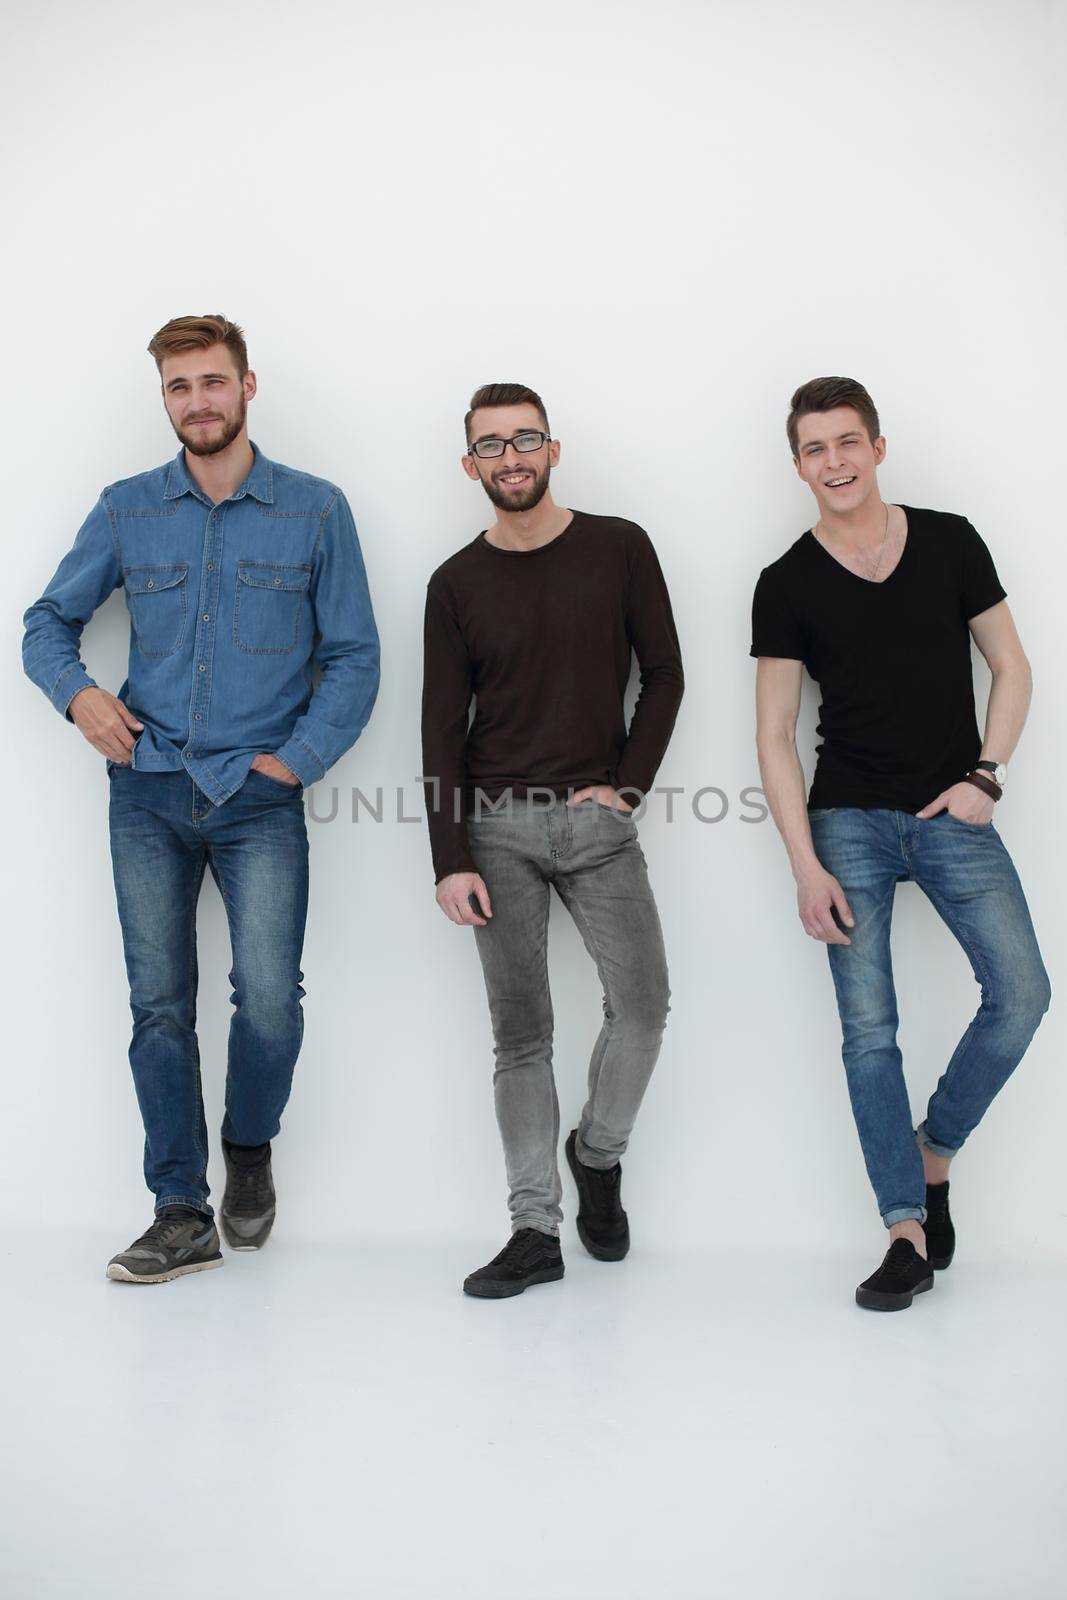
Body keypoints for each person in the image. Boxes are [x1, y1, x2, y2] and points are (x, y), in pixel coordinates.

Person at [23, 314, 380, 1283]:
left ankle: (250, 1149)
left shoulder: (313, 510)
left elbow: (352, 654)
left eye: (212, 382)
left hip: (259, 796)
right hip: (146, 792)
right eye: (179, 387)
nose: (198, 401)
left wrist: (295, 761)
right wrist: (81, 695)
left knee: (268, 1002)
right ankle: (180, 1209)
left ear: (247, 386)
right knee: (157, 1008)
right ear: (166, 399)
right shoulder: (129, 508)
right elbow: (46, 623)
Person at [751, 375, 1050, 1311]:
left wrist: (985, 775)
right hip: (846, 824)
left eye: (846, 442)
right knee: (867, 1033)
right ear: (795, 465)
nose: (832, 461)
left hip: (950, 812)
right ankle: (903, 1231)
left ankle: (933, 1152)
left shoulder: (951, 541)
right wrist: (804, 866)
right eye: (813, 448)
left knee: (1023, 993)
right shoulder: (785, 582)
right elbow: (773, 736)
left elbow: (1010, 665)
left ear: (877, 447)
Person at [422, 382, 684, 1298]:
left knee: (643, 1007)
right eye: (490, 445)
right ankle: (533, 1231)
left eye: (524, 438)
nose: (510, 457)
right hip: (493, 829)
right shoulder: (455, 582)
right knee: (521, 1036)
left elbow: (664, 674)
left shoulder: (617, 547)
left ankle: (596, 1155)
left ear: (552, 448)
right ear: (470, 465)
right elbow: (438, 727)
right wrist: (449, 857)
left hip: (595, 822)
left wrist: (628, 791)